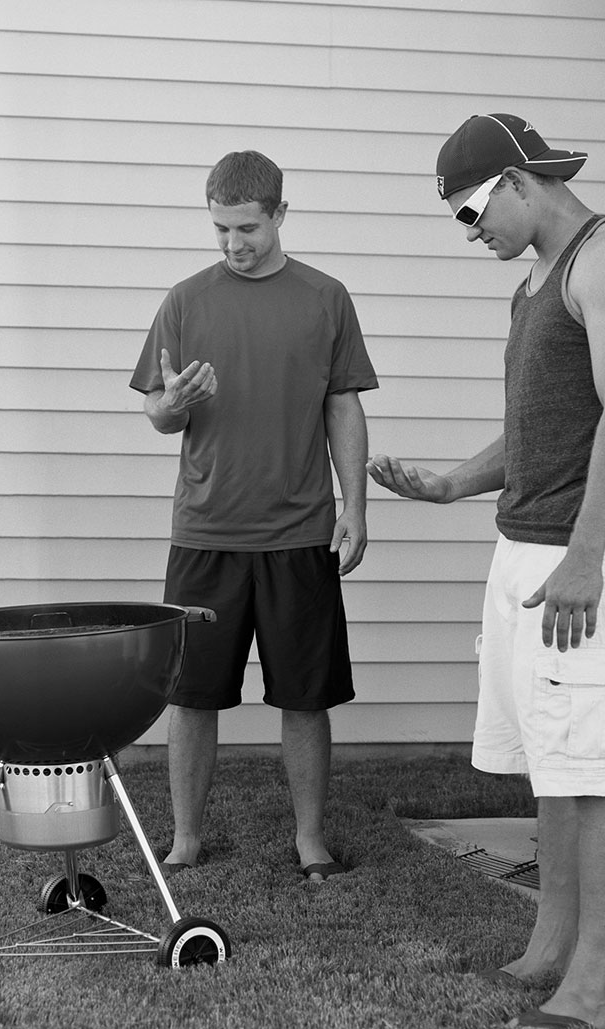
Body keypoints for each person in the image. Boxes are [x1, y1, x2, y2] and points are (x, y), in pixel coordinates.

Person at [368, 113, 605, 1029]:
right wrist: (455, 484)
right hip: (528, 549)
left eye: (471, 211)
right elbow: (546, 423)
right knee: (552, 762)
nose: (472, 233)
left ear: (515, 178)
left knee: (594, 766)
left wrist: (585, 557)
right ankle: (549, 945)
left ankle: (592, 989)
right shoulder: (536, 281)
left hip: (593, 555)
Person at [131, 150, 378, 883]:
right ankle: (184, 839)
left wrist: (355, 506)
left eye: (246, 228)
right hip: (205, 533)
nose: (233, 244)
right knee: (191, 696)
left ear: (279, 215)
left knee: (305, 697)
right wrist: (170, 407)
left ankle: (310, 841)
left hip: (299, 532)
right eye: (220, 230)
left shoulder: (326, 299)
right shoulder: (185, 301)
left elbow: (343, 403)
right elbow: (156, 410)